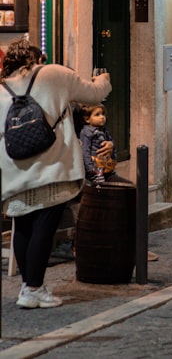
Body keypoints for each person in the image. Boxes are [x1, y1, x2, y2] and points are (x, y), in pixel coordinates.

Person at [0, 40, 111, 309]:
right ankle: (34, 288)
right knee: (44, 225)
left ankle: (29, 288)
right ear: (38, 58)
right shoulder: (53, 73)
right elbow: (95, 94)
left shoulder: (1, 88)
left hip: (14, 168)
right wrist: (104, 77)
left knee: (23, 226)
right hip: (52, 166)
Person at [78, 103, 125, 184]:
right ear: (87, 119)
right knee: (100, 185)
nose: (102, 117)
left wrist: (114, 159)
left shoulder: (104, 130)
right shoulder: (86, 132)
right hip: (95, 166)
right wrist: (90, 169)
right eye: (97, 115)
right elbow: (85, 151)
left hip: (106, 164)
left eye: (103, 114)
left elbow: (111, 143)